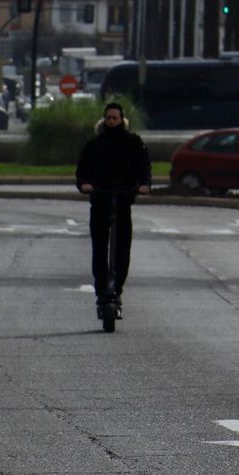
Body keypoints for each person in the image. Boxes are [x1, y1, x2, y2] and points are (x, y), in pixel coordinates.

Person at [75, 101, 152, 317]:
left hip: (123, 199)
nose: (111, 122)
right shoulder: (95, 144)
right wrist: (85, 184)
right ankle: (102, 290)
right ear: (104, 120)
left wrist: (144, 184)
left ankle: (116, 288)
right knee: (100, 248)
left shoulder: (133, 142)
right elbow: (83, 170)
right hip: (100, 199)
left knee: (122, 248)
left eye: (115, 118)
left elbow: (144, 167)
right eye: (108, 118)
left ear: (121, 120)